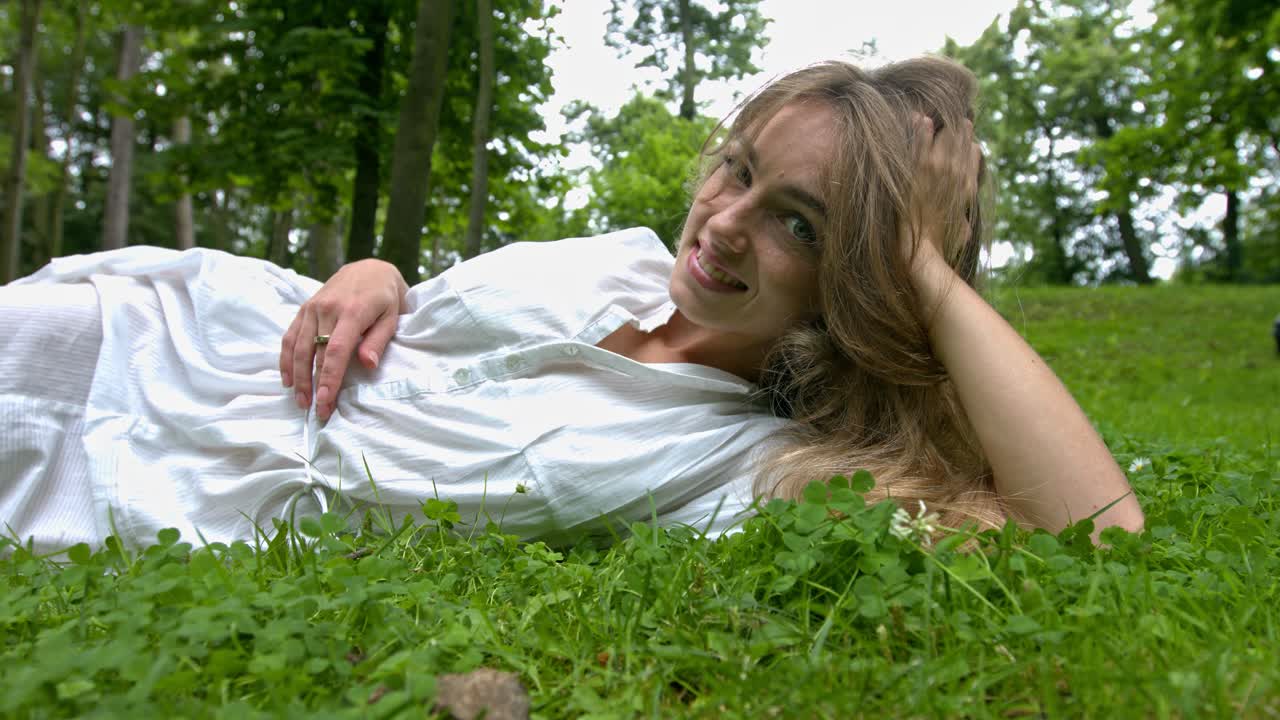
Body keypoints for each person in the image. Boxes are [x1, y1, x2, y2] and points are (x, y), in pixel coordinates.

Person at [0, 57, 1142, 555]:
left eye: (799, 223)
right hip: (154, 329)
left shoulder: (738, 462)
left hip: (120, 473)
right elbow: (419, 310)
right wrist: (371, 272)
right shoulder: (609, 259)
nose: (725, 223)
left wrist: (924, 270)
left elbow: (1100, 536)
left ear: (858, 286)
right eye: (737, 169)